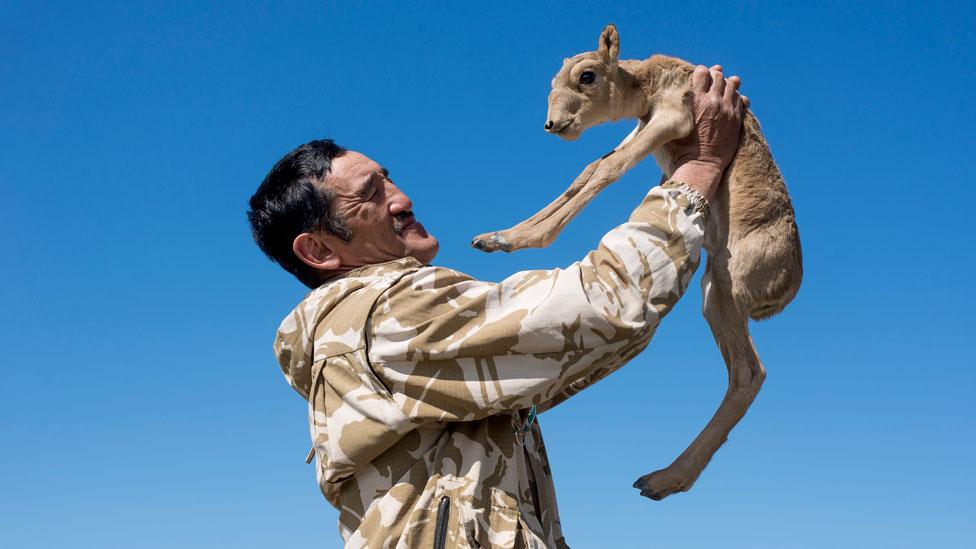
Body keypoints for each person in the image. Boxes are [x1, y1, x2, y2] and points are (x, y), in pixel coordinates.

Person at [247, 65, 746, 548]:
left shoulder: (382, 339)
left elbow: (584, 346)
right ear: (319, 251)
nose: (402, 199)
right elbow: (602, 306)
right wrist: (698, 169)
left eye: (389, 179)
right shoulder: (382, 316)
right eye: (371, 195)